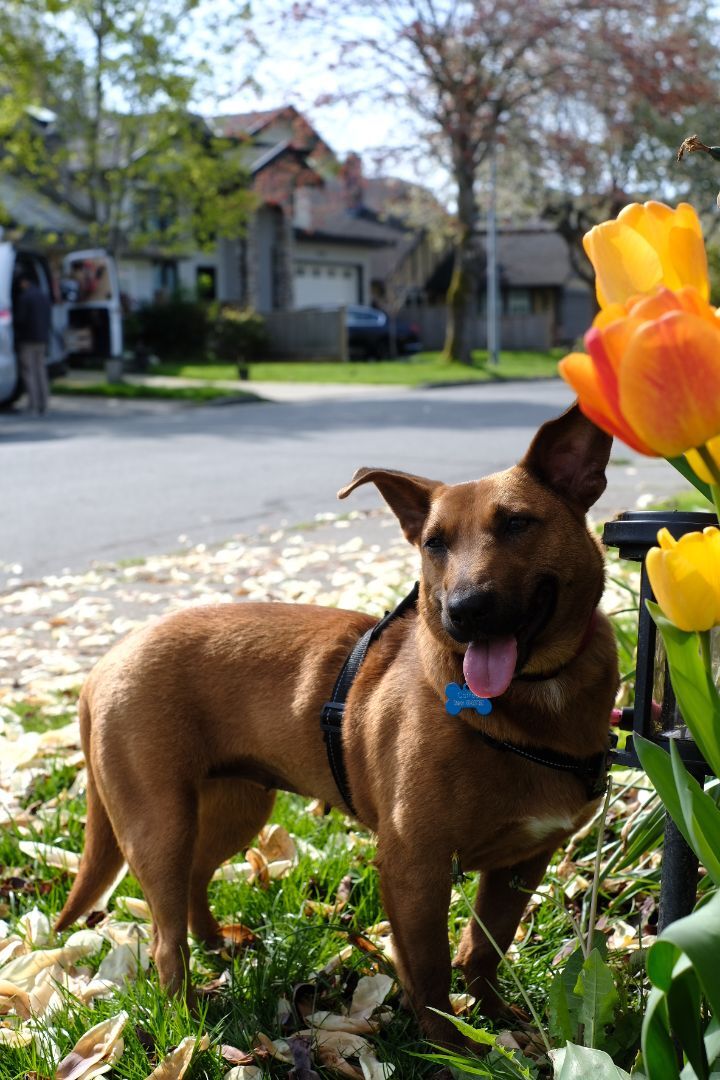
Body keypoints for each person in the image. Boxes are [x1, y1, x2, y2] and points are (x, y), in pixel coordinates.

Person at [15, 273, 52, 415]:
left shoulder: (25, 298)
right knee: (41, 371)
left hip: (28, 339)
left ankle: (33, 404)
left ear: (24, 282)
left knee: (29, 372)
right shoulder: (43, 296)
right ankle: (44, 403)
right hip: (42, 339)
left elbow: (21, 319)